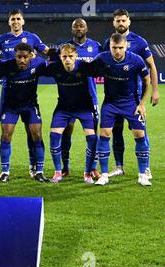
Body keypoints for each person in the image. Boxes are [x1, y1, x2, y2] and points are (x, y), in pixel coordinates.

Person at [0, 9, 52, 178]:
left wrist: (66, 55)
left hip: (29, 101)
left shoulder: (33, 39)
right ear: (9, 22)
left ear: (23, 21)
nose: (16, 21)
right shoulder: (2, 41)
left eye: (18, 19)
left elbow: (48, 54)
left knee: (35, 134)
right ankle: (5, 172)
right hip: (9, 97)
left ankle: (37, 169)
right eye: (13, 19)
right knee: (6, 134)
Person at [83, 33, 151, 186]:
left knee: (139, 134)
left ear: (126, 46)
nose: (118, 51)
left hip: (131, 103)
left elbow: (147, 80)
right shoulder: (102, 58)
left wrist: (142, 103)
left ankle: (143, 174)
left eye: (120, 47)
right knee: (105, 134)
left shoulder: (136, 60)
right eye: (114, 48)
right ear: (110, 47)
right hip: (111, 103)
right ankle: (104, 175)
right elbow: (87, 69)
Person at [102, 9, 160, 179]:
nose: (121, 23)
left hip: (133, 97)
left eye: (123, 20)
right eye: (117, 21)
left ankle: (145, 168)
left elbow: (152, 66)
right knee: (116, 131)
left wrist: (155, 90)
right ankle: (119, 166)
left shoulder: (140, 42)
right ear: (113, 23)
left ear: (129, 21)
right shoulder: (109, 42)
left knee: (140, 131)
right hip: (113, 98)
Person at [41, 44, 98, 183]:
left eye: (70, 56)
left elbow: (103, 69)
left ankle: (87, 173)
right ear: (60, 57)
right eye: (64, 56)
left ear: (76, 56)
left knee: (92, 139)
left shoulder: (84, 67)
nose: (67, 59)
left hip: (84, 107)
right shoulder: (54, 68)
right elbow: (38, 69)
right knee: (54, 136)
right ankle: (58, 172)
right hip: (64, 108)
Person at [53, 18, 102, 179]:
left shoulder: (96, 46)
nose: (79, 28)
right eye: (76, 26)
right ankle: (65, 167)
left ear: (87, 28)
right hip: (68, 99)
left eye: (81, 26)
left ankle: (93, 168)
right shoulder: (65, 48)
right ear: (72, 29)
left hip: (90, 99)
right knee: (67, 133)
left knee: (93, 134)